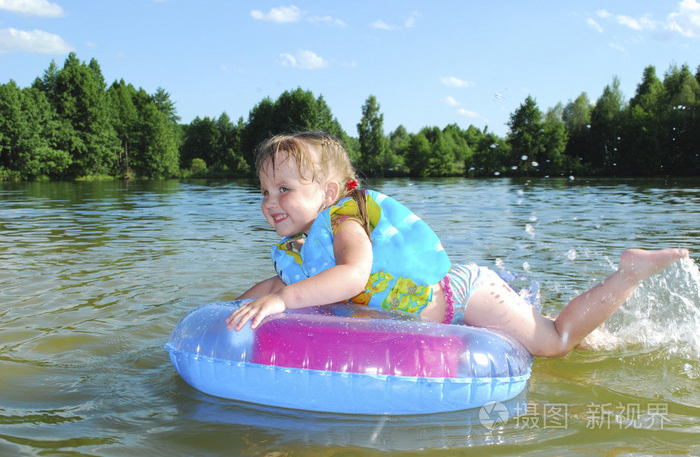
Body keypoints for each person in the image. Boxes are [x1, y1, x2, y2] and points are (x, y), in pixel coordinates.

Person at [225, 131, 689, 357]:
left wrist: (284, 301)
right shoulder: (298, 249)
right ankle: (598, 334)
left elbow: (354, 275)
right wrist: (232, 308)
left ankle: (629, 274)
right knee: (548, 334)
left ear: (326, 193)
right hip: (432, 309)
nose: (270, 202)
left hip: (462, 294)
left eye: (284, 189)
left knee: (553, 345)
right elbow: (276, 283)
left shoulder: (346, 218)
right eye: (264, 191)